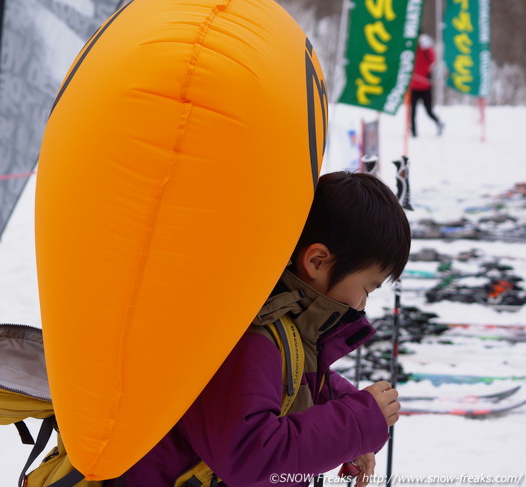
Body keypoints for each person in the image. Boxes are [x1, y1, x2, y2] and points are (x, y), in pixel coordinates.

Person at [113, 171, 411, 487]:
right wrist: (354, 424)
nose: (363, 305)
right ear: (317, 262)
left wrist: (344, 410)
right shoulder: (250, 335)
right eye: (367, 289)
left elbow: (292, 380)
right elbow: (249, 456)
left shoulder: (279, 320)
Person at [410, 34, 443, 137]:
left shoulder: (428, 52)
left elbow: (433, 60)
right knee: (412, 112)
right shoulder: (414, 51)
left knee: (428, 111)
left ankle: (439, 123)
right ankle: (413, 132)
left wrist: (427, 48)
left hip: (425, 87)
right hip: (414, 87)